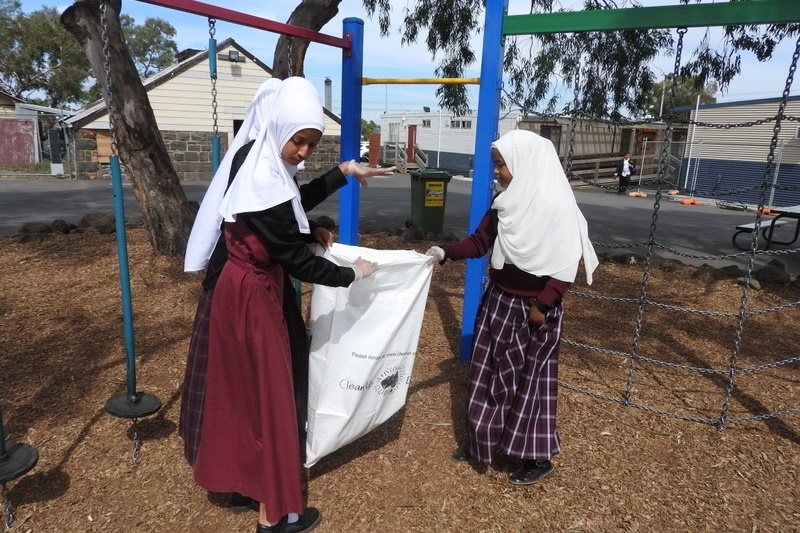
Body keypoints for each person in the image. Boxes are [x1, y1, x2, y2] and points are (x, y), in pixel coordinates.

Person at [184, 77, 380, 533]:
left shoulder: (260, 162)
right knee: (269, 396)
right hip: (252, 297)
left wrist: (344, 173)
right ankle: (274, 516)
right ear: (277, 129)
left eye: (312, 144)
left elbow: (290, 205)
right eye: (298, 141)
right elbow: (295, 259)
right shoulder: (262, 176)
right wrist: (353, 273)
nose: (303, 152)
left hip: (242, 288)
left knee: (241, 393)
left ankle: (242, 480)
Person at [425, 129, 598, 487]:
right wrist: (445, 252)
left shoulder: (556, 205)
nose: (497, 173)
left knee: (530, 383)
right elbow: (479, 242)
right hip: (500, 302)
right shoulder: (505, 204)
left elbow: (567, 261)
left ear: (526, 164)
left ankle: (537, 457)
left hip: (536, 313)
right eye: (496, 166)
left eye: (502, 165)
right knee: (488, 374)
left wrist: (544, 303)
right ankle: (482, 442)